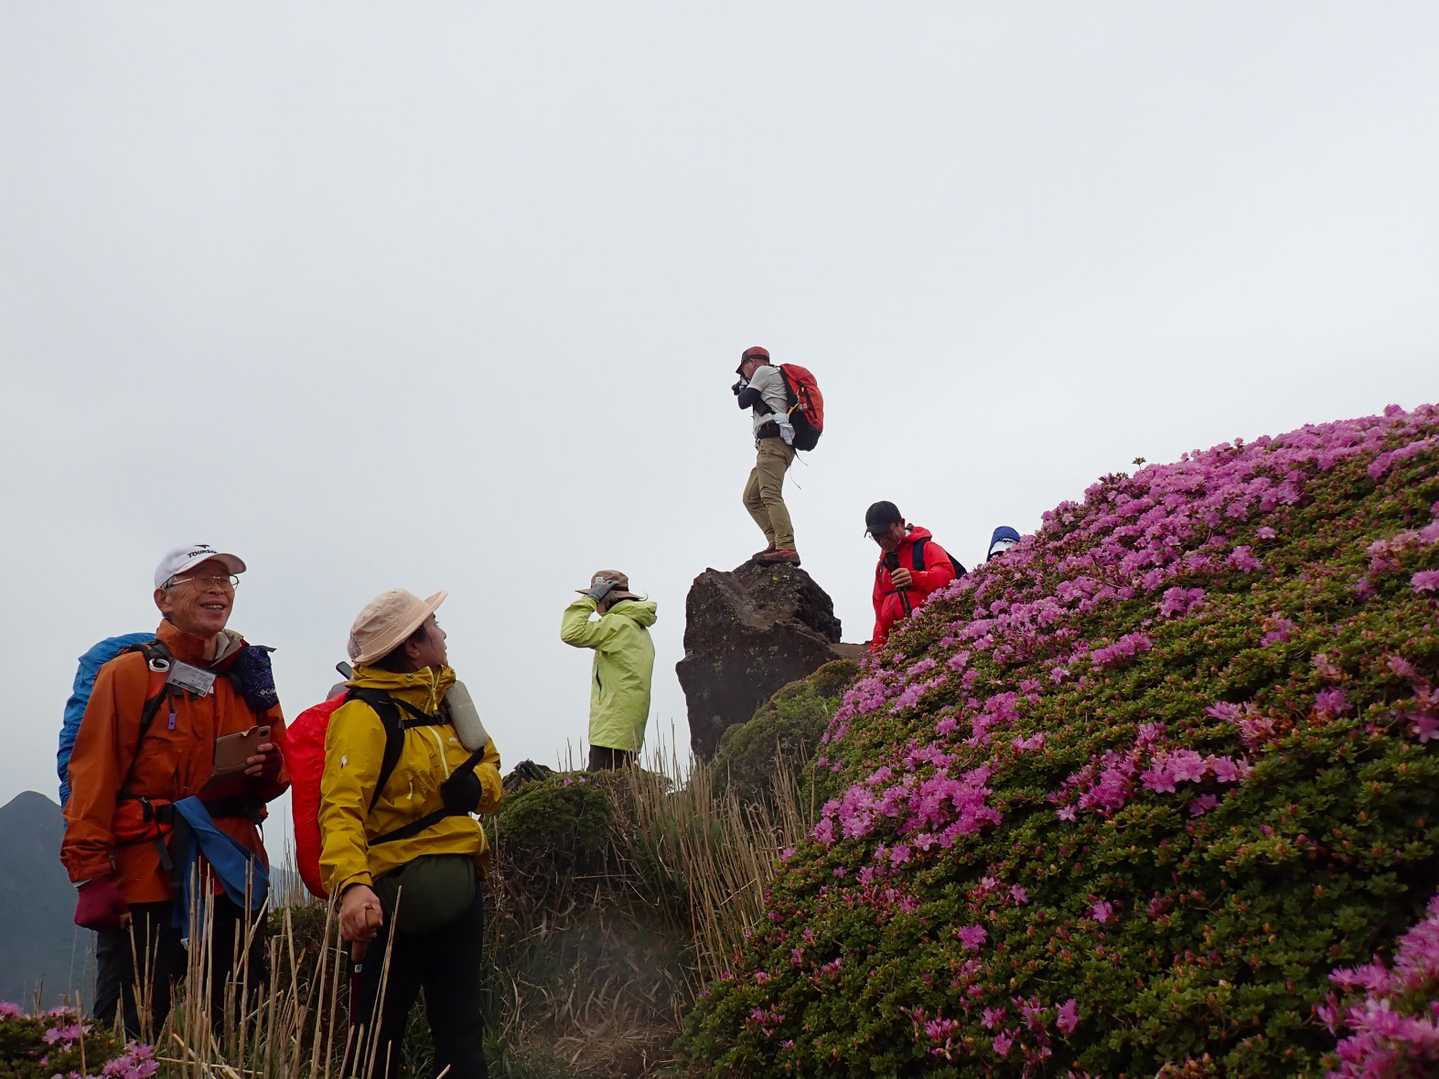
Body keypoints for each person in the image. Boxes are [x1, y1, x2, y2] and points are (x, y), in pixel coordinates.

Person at [61, 544, 288, 1038]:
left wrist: (269, 765)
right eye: (201, 580)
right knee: (136, 1028)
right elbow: (93, 777)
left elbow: (277, 777)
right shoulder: (129, 675)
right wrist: (91, 876)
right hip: (146, 876)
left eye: (224, 581)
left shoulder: (246, 678)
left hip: (230, 875)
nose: (217, 590)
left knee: (237, 1024)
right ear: (163, 598)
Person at [321, 589, 503, 1079]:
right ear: (412, 647)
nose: (443, 633)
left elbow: (491, 768)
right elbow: (340, 809)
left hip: (463, 895)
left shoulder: (448, 699)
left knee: (462, 1033)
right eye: (434, 626)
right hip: (389, 904)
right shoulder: (362, 715)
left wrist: (477, 788)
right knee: (376, 1041)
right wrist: (352, 885)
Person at [559, 571, 658, 770]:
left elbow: (570, 632)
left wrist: (589, 599)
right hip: (625, 726)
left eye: (597, 597)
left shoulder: (618, 624)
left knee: (601, 783)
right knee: (618, 781)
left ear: (606, 596)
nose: (596, 606)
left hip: (612, 727)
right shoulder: (636, 625)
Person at [732, 345, 801, 565]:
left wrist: (744, 386)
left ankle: (786, 546)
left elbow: (743, 402)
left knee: (770, 494)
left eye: (743, 369)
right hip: (771, 446)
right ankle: (775, 541)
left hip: (773, 443)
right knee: (751, 497)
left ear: (751, 363)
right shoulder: (770, 376)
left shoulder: (764, 371)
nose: (744, 373)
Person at [866, 502, 964, 652]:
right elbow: (880, 615)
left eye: (887, 533)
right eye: (876, 536)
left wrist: (915, 578)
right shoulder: (881, 568)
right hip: (898, 645)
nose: (883, 541)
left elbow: (946, 576)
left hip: (933, 637)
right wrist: (876, 650)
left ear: (901, 523)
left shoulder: (926, 547)